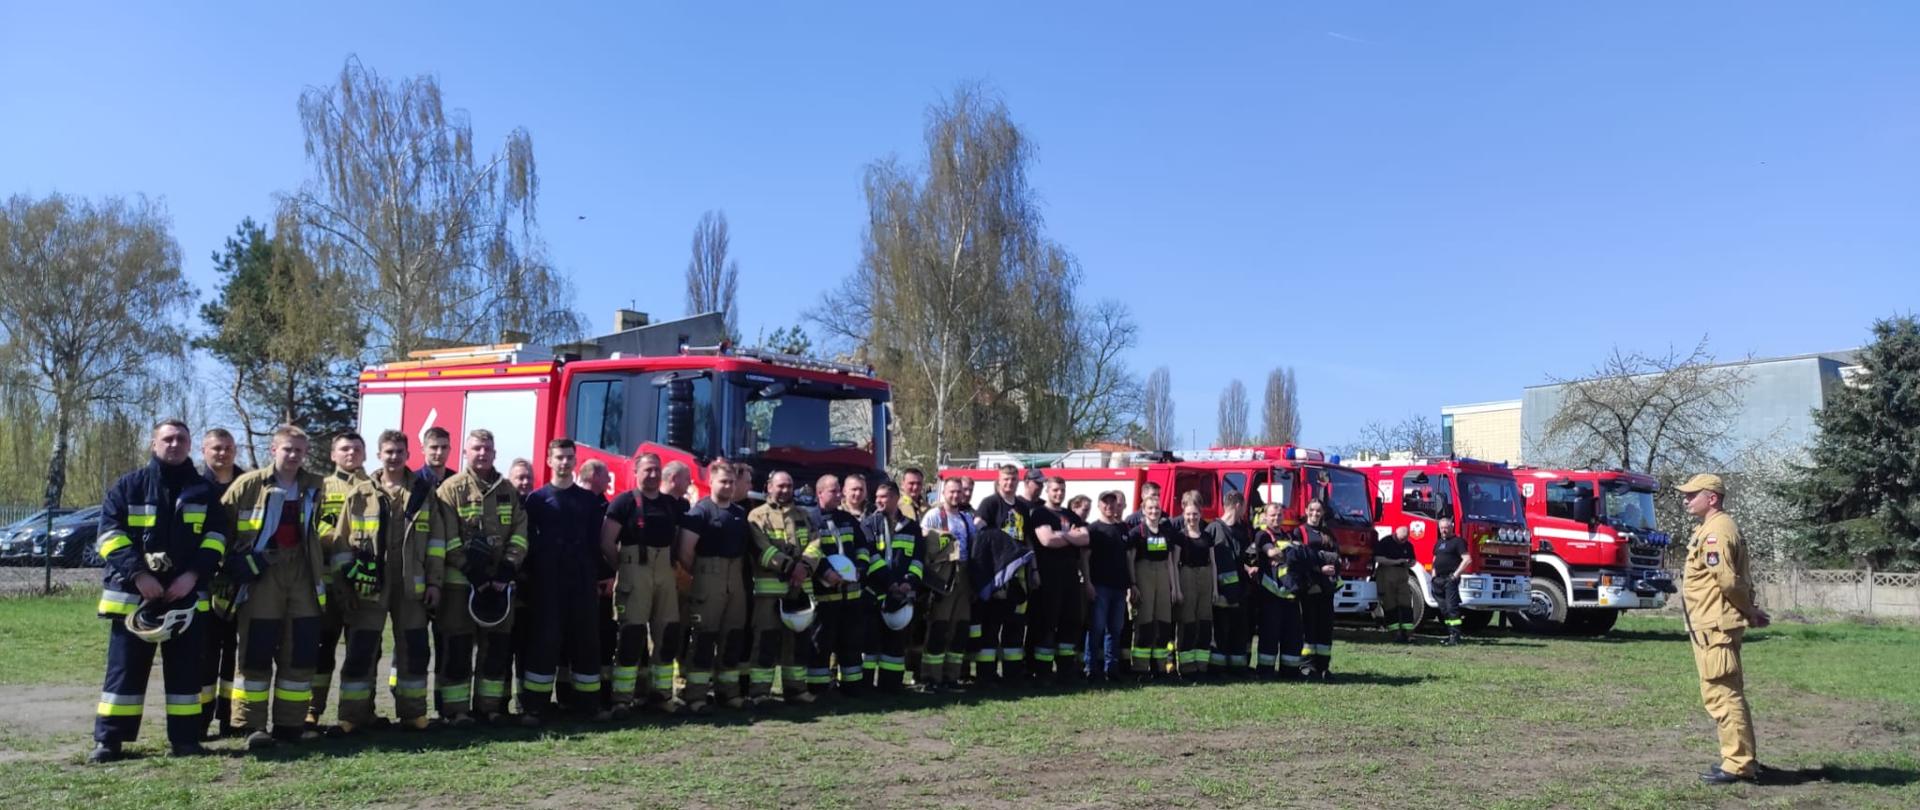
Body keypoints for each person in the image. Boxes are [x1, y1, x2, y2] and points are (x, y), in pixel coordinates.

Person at [89, 419, 232, 763]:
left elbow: (216, 539)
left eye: (181, 439)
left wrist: (194, 574)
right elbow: (108, 536)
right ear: (153, 444)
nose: (174, 444)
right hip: (134, 597)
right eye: (167, 439)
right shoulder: (128, 487)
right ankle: (110, 741)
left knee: (186, 674)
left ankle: (185, 741)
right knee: (124, 672)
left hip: (185, 597)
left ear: (189, 445)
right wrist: (139, 575)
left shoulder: (204, 492)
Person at [222, 425, 330, 751]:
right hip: (263, 574)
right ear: (274, 450)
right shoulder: (248, 485)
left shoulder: (316, 486)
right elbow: (219, 530)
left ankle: (290, 724)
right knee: (256, 648)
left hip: (303, 574)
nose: (294, 455)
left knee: (300, 650)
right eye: (288, 449)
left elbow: (332, 527)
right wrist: (234, 562)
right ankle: (251, 726)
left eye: (300, 450)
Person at [1677, 473, 1768, 785]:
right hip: (1711, 624)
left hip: (1715, 626)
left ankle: (1739, 764)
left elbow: (1728, 581)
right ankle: (1740, 757)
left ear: (1711, 498)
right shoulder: (1713, 528)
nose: (1686, 500)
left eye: (1692, 495)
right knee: (1726, 692)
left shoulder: (1717, 530)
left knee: (1722, 694)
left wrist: (1749, 609)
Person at [436, 429, 529, 725]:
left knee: (496, 648)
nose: (482, 453)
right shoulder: (450, 489)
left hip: (500, 584)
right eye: (476, 448)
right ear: (465, 452)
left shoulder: (507, 490)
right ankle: (456, 711)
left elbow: (520, 533)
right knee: (459, 647)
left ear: (494, 453)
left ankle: (490, 708)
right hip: (460, 584)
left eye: (487, 448)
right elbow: (446, 537)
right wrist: (470, 571)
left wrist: (506, 569)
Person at [518, 440, 610, 724]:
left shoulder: (589, 501)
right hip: (547, 584)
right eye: (559, 457)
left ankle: (587, 706)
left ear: (575, 461)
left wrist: (604, 574)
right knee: (544, 644)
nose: (564, 463)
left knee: (586, 644)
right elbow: (527, 543)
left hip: (582, 583)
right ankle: (535, 707)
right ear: (549, 461)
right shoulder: (536, 500)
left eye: (569, 458)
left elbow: (598, 542)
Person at [365, 429, 442, 731]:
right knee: (365, 647)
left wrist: (434, 582)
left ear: (409, 455)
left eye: (399, 452)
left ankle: (413, 714)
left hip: (412, 583)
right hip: (372, 583)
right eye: (389, 452)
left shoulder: (424, 491)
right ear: (379, 454)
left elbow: (437, 541)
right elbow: (346, 537)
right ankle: (356, 715)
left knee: (414, 648)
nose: (394, 457)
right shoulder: (364, 490)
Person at [602, 453, 688, 716]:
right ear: (636, 472)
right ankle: (622, 699)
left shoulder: (670, 504)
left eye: (656, 470)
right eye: (647, 470)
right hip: (634, 569)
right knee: (631, 636)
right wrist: (624, 568)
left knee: (668, 633)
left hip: (664, 571)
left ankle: (661, 696)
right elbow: (606, 542)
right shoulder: (623, 502)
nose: (652, 475)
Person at [310, 432, 376, 729]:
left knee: (364, 650)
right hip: (328, 582)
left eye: (356, 449)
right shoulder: (320, 487)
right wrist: (341, 538)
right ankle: (312, 709)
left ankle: (359, 712)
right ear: (333, 454)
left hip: (364, 583)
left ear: (365, 453)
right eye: (344, 449)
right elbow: (312, 526)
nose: (351, 453)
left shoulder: (375, 487)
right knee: (322, 649)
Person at [678, 460, 753, 711]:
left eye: (732, 482)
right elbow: (686, 552)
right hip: (708, 578)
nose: (728, 486)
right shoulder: (699, 512)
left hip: (736, 579)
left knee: (732, 636)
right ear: (711, 482)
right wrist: (703, 575)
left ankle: (728, 693)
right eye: (723, 481)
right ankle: (696, 695)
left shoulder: (739, 514)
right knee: (704, 637)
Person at [745, 471, 818, 706]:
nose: (785, 490)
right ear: (768, 487)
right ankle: (760, 693)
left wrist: (805, 566)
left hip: (799, 591)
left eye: (789, 486)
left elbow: (816, 544)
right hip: (769, 594)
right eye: (780, 486)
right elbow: (762, 549)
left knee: (797, 643)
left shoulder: (804, 515)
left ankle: (796, 690)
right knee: (766, 641)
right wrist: (790, 567)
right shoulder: (757, 516)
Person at [195, 427, 246, 738]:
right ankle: (200, 719)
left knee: (235, 652)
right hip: (203, 579)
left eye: (227, 447)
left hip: (240, 578)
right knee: (204, 652)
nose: (222, 453)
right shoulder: (195, 487)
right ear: (204, 451)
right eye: (216, 448)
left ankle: (230, 718)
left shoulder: (248, 484)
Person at [805, 475, 872, 696]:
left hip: (851, 595)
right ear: (820, 493)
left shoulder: (848, 519)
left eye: (838, 491)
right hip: (825, 596)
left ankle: (852, 687)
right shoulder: (810, 519)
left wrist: (860, 568)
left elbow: (862, 548)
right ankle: (819, 688)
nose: (839, 495)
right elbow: (811, 551)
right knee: (820, 644)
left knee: (851, 643)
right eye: (833, 491)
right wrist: (825, 572)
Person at [971, 465, 1032, 683]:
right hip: (997, 575)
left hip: (1019, 576)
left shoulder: (1023, 507)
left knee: (1015, 625)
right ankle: (986, 676)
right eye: (1006, 479)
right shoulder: (990, 504)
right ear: (999, 480)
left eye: (1014, 479)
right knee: (991, 625)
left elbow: (1028, 539)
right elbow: (978, 531)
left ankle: (1012, 674)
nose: (1010, 483)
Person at [862, 481, 924, 693]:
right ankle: (866, 686)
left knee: (895, 643)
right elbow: (872, 557)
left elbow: (918, 560)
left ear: (896, 498)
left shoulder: (912, 527)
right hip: (875, 592)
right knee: (870, 643)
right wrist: (890, 583)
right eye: (877, 496)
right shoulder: (869, 524)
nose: (878, 501)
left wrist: (909, 582)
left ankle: (891, 685)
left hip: (901, 595)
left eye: (884, 496)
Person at [1029, 476, 1090, 684]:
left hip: (1071, 577)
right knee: (1047, 623)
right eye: (1055, 490)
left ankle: (1066, 671)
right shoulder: (1040, 514)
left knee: (1070, 623)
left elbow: (1085, 538)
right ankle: (1044, 672)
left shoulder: (1070, 514)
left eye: (1062, 490)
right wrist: (1068, 535)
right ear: (1048, 490)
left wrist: (1061, 535)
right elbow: (1046, 540)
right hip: (1048, 577)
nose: (1059, 494)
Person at [917, 477, 975, 692]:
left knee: (959, 628)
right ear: (944, 493)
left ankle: (952, 676)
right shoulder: (933, 515)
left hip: (964, 575)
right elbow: (922, 540)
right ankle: (931, 678)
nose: (955, 496)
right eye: (951, 492)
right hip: (943, 577)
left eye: (958, 492)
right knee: (938, 626)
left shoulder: (966, 518)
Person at [1289, 499, 1343, 680]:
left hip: (1326, 588)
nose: (1315, 513)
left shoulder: (1328, 533)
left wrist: (1323, 559)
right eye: (1311, 510)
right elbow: (1298, 558)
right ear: (1306, 511)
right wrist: (1320, 566)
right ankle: (1307, 665)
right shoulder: (1299, 532)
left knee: (1325, 628)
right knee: (1309, 628)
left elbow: (1337, 557)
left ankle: (1323, 666)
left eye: (1318, 510)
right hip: (1309, 587)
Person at [1083, 491, 1133, 685]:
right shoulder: (1093, 529)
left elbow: (1128, 559)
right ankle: (1090, 668)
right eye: (1106, 503)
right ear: (1099, 505)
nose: (1110, 506)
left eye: (1113, 503)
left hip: (1119, 587)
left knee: (1115, 629)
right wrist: (1087, 582)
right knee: (1096, 628)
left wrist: (1131, 584)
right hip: (1100, 586)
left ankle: (1111, 669)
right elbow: (1085, 559)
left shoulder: (1123, 528)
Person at [1127, 496, 1177, 682]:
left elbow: (1170, 561)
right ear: (1143, 509)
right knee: (1145, 623)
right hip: (1144, 574)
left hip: (1163, 575)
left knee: (1163, 623)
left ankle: (1160, 667)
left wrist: (1173, 587)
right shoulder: (1136, 532)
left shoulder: (1166, 531)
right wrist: (1133, 584)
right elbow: (1130, 560)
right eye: (1150, 508)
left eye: (1156, 508)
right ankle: (1140, 668)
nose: (1154, 511)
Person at [1252, 502, 1303, 679]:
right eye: (1272, 515)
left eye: (1279, 515)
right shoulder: (1262, 535)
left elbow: (1297, 557)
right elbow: (1272, 553)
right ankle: (1265, 671)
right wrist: (1289, 553)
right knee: (1269, 635)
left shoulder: (1287, 535)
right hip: (1270, 594)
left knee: (1292, 635)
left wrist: (1287, 554)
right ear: (1265, 516)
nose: (1276, 518)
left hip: (1289, 594)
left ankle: (1290, 671)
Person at [1205, 493, 1253, 676]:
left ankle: (1237, 669)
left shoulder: (1241, 531)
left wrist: (1249, 568)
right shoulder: (1214, 530)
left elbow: (1243, 559)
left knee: (1238, 633)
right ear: (1238, 505)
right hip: (1221, 595)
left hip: (1239, 594)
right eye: (1244, 507)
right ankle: (1217, 670)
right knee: (1219, 633)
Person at [1172, 499, 1217, 681]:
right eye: (1189, 514)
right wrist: (1177, 589)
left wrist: (1215, 589)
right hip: (1186, 576)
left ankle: (1202, 665)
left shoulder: (1207, 536)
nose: (1192, 517)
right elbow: (1174, 564)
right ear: (1184, 515)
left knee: (1205, 622)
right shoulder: (1180, 537)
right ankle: (1186, 666)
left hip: (1205, 577)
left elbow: (1213, 563)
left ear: (1200, 515)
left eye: (1195, 514)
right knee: (1188, 621)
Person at [1374, 525, 1418, 644]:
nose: (1403, 542)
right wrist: (1397, 561)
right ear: (1395, 534)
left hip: (1403, 574)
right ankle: (1395, 633)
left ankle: (1409, 633)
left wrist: (1410, 563)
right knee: (1390, 604)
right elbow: (1378, 558)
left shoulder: (1408, 545)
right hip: (1387, 573)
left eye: (1405, 539)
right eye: (1401, 539)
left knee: (1406, 604)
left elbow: (1413, 560)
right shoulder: (1385, 542)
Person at [1430, 518, 1470, 646]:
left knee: (1452, 608)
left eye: (1446, 527)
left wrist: (1455, 575)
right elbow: (1435, 560)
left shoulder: (1458, 542)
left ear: (1451, 527)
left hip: (1450, 579)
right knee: (1444, 609)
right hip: (1438, 580)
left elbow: (1467, 559)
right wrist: (1433, 576)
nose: (1443, 530)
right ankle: (1449, 633)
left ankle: (1456, 636)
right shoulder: (1439, 542)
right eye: (1441, 528)